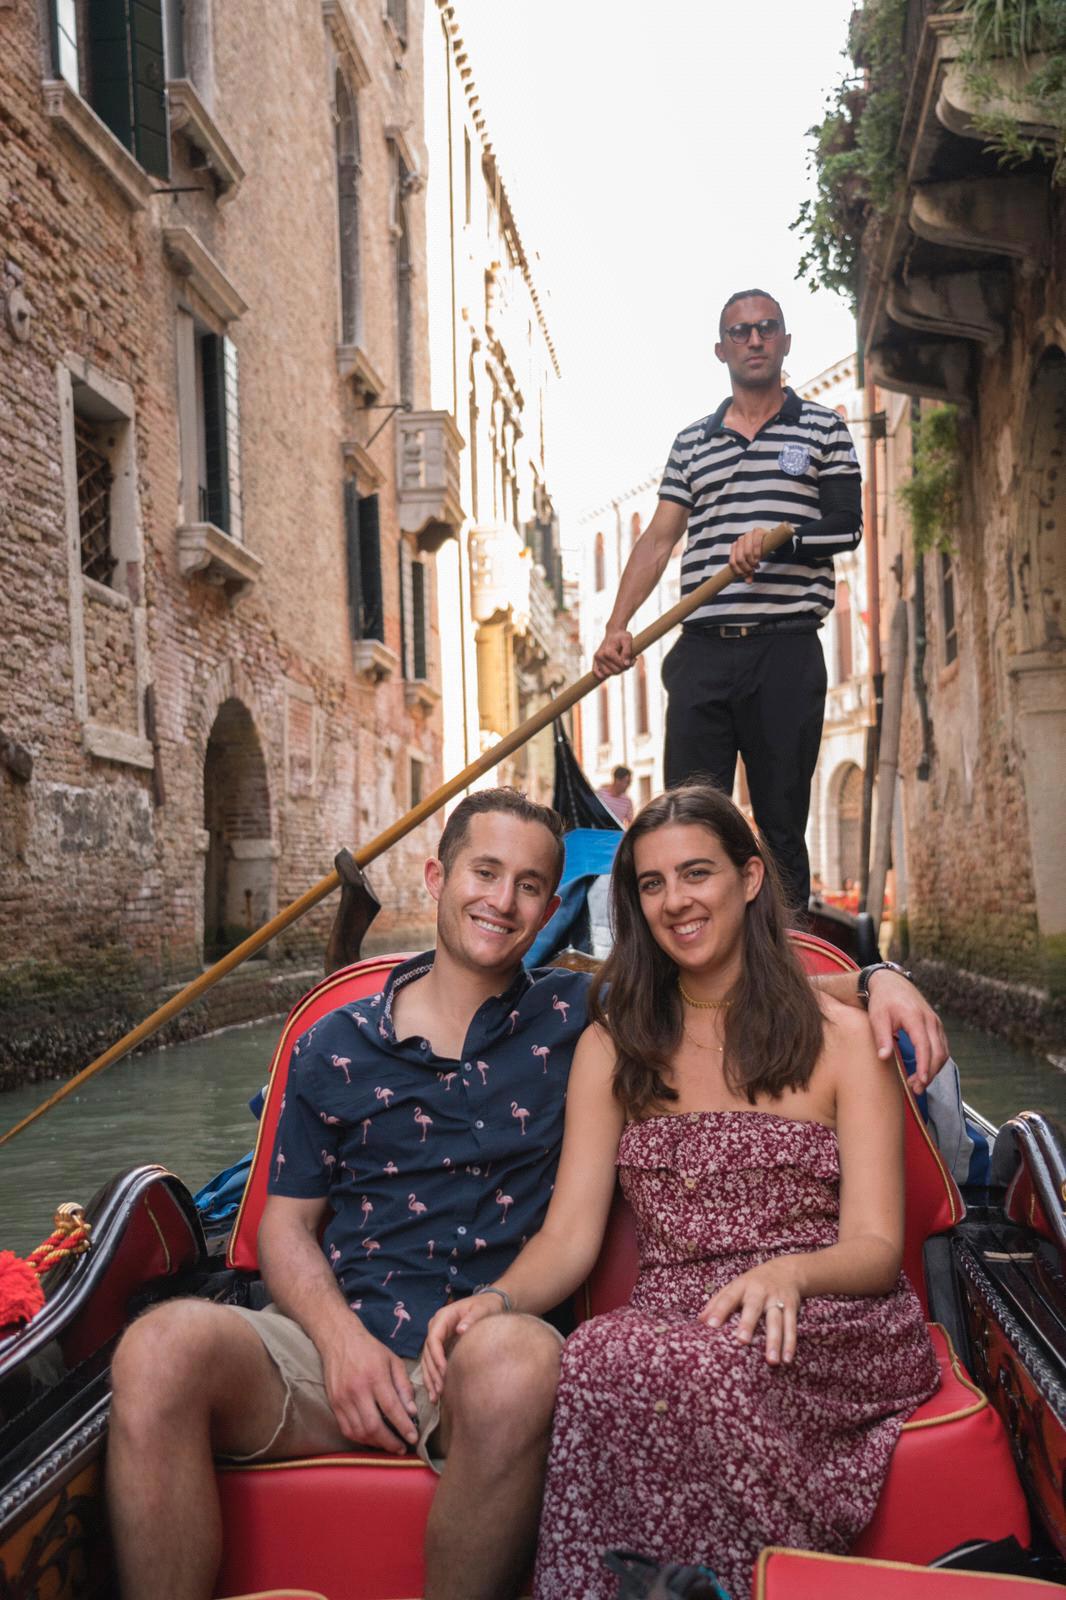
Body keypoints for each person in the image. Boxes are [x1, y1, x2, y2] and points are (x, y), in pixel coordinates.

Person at [107, 786, 947, 1600]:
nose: (502, 901)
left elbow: (730, 990)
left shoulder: (579, 1013)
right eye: (484, 874)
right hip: (331, 1352)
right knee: (156, 1345)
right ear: (438, 880)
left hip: (491, 1363)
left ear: (552, 914)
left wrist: (878, 979)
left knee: (533, 1360)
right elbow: (283, 1230)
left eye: (531, 886)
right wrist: (337, 1343)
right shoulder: (336, 1042)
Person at [424, 785, 940, 1600]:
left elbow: (876, 1249)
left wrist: (789, 1273)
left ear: (749, 878)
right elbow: (566, 1239)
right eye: (652, 884)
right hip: (677, 1314)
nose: (675, 902)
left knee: (683, 1364)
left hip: (822, 1316)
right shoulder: (615, 1044)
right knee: (597, 1351)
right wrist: (496, 1300)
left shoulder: (845, 1038)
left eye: (695, 874)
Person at [593, 289, 863, 910]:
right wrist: (616, 626)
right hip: (703, 655)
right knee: (687, 824)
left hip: (786, 651)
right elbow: (659, 540)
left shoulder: (824, 427)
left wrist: (777, 542)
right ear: (722, 350)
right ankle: (693, 962)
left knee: (780, 822)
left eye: (767, 328)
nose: (755, 340)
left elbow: (846, 525)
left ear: (785, 341)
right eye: (740, 332)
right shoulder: (692, 443)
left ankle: (790, 968)